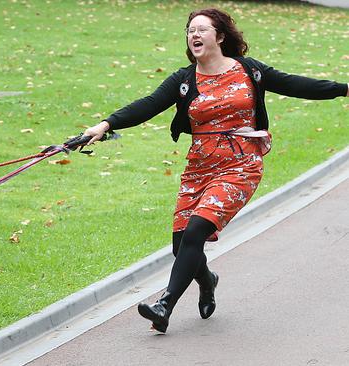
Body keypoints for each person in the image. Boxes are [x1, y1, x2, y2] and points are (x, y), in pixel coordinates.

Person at [83, 8, 349, 333]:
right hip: (200, 167)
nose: (194, 35)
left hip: (240, 165)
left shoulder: (249, 71)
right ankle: (208, 281)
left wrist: (343, 89)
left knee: (196, 231)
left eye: (202, 30)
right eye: (190, 30)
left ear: (219, 36)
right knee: (181, 246)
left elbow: (295, 84)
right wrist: (105, 124)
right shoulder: (184, 80)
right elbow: (148, 104)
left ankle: (164, 304)